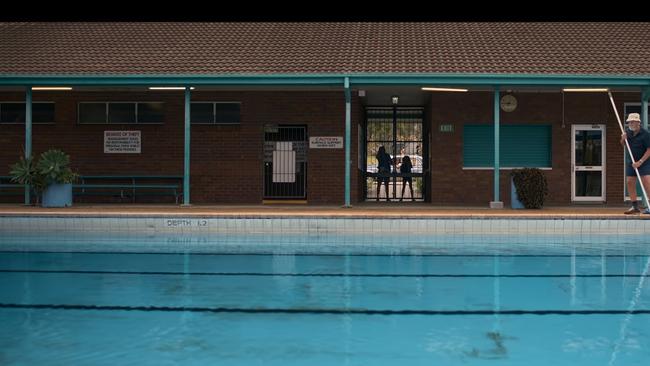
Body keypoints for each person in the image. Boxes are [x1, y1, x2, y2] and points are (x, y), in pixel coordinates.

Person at [620, 113, 650, 214]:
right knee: (629, 182)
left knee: (646, 182)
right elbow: (624, 144)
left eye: (632, 122)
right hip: (631, 162)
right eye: (629, 122)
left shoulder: (645, 134)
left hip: (644, 162)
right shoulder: (627, 132)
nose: (630, 124)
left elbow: (649, 150)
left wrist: (640, 162)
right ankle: (635, 206)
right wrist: (623, 139)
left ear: (638, 122)